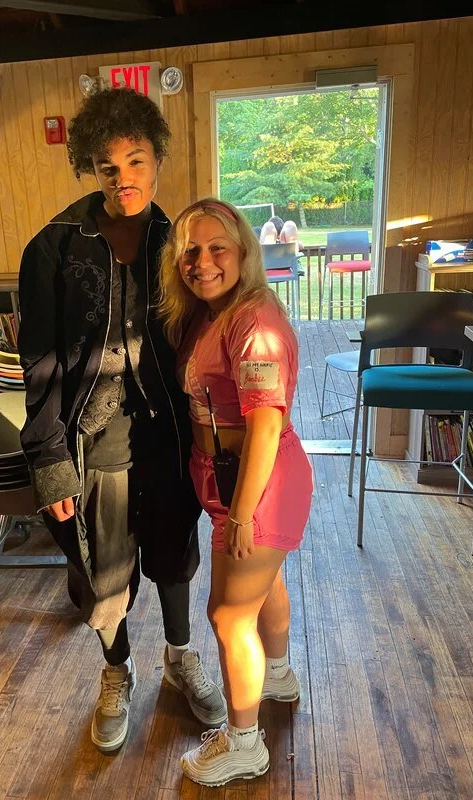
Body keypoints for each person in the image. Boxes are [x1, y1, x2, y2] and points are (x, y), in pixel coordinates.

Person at [17, 88, 226, 754]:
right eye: (108, 167)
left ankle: (180, 655)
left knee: (173, 557)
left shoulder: (180, 242)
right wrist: (49, 460)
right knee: (100, 569)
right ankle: (116, 670)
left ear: (156, 158)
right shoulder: (51, 248)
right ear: (90, 169)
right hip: (89, 440)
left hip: (167, 437)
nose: (124, 178)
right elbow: (41, 364)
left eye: (135, 161)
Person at [158, 198, 313, 786]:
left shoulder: (255, 322)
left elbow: (267, 424)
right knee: (262, 584)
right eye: (190, 252)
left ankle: (244, 742)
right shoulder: (212, 312)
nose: (202, 262)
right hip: (227, 475)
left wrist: (242, 515)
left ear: (244, 252)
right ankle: (274, 675)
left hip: (259, 481)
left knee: (227, 615)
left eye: (216, 248)